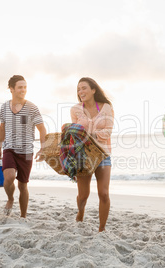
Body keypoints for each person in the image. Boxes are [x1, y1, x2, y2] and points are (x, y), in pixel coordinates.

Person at [0, 75, 46, 218]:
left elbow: (42, 129)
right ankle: (10, 198)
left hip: (27, 151)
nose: (23, 90)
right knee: (9, 177)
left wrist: (43, 147)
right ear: (11, 89)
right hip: (9, 148)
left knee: (23, 185)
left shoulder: (32, 108)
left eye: (25, 87)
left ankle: (23, 216)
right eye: (20, 87)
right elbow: (2, 128)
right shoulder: (4, 107)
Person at [70, 77, 114, 232]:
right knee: (83, 195)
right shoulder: (75, 109)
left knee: (104, 193)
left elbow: (108, 130)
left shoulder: (106, 107)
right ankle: (80, 213)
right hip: (83, 155)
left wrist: (92, 136)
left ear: (93, 89)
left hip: (103, 154)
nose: (81, 92)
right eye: (78, 89)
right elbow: (76, 132)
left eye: (84, 88)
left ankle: (102, 229)